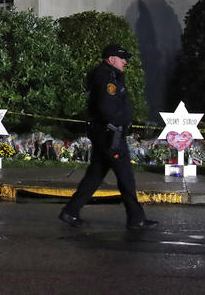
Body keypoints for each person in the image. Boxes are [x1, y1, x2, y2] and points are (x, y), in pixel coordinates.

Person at [59, 44, 158, 230]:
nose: (125, 62)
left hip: (106, 134)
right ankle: (136, 219)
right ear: (111, 59)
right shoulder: (107, 77)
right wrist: (118, 122)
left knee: (95, 175)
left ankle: (70, 212)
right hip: (111, 134)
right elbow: (107, 107)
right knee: (126, 177)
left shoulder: (108, 75)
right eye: (122, 58)